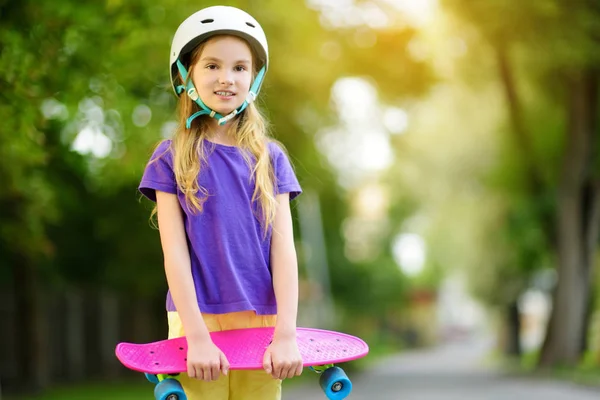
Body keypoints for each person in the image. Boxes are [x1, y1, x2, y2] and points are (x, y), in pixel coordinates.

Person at [138, 6, 303, 400]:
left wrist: (286, 334)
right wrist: (195, 337)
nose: (226, 78)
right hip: (196, 318)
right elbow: (174, 253)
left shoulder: (270, 157)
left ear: (255, 77)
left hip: (261, 319)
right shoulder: (170, 157)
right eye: (212, 65)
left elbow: (284, 250)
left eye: (240, 68)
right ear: (186, 75)